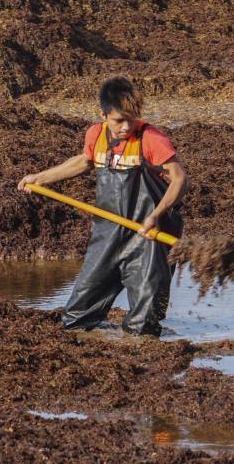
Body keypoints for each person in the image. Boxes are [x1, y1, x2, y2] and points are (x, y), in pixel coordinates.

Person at [17, 77, 188, 336]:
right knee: (76, 318)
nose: (126, 127)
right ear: (103, 114)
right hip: (107, 233)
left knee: (143, 326)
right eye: (119, 120)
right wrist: (39, 178)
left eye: (131, 118)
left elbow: (179, 179)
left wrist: (156, 215)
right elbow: (85, 162)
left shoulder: (151, 138)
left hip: (148, 238)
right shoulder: (95, 134)